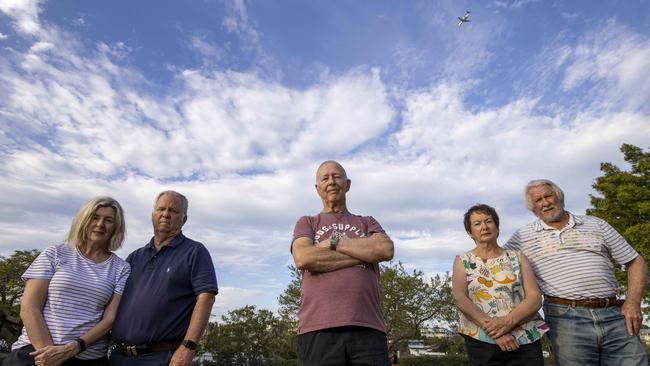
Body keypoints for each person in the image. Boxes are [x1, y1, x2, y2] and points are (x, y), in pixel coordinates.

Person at [505, 179, 648, 365]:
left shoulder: (597, 224)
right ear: (533, 208)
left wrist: (633, 303)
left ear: (559, 197)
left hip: (615, 314)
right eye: (538, 200)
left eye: (548, 196)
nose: (545, 203)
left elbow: (636, 261)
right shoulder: (522, 236)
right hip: (565, 318)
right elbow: (498, 263)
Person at [291, 161, 394, 366]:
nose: (331, 182)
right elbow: (304, 258)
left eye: (337, 176)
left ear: (348, 184)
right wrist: (365, 253)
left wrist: (333, 243)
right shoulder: (307, 222)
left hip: (368, 326)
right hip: (317, 329)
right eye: (325, 178)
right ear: (317, 188)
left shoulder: (367, 221)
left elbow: (385, 250)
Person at [6, 196, 131, 366]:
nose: (100, 224)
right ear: (84, 220)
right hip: (35, 353)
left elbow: (109, 319)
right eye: (95, 217)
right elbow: (29, 307)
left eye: (108, 220)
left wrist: (72, 348)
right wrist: (49, 354)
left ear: (116, 227)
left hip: (88, 357)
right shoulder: (55, 253)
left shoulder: (121, 268)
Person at [110, 191, 218, 366]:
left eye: (173, 211)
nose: (165, 214)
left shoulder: (195, 252)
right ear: (153, 215)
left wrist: (188, 347)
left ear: (184, 219)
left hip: (160, 357)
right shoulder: (134, 257)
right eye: (161, 209)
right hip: (119, 357)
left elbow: (206, 298)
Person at [452, 204, 547, 366]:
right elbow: (460, 298)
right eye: (477, 223)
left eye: (489, 221)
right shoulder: (462, 261)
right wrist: (496, 332)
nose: (484, 227)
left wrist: (507, 323)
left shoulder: (518, 257)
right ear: (470, 232)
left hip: (525, 338)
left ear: (497, 226)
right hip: (481, 340)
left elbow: (534, 297)